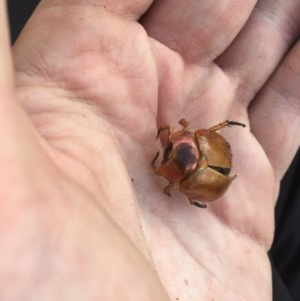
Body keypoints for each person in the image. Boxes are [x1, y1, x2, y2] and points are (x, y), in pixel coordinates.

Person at [2, 0, 300, 300]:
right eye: (171, 148)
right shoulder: (193, 150)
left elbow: (177, 162)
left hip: (213, 180)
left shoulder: (187, 163)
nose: (167, 145)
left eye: (168, 146)